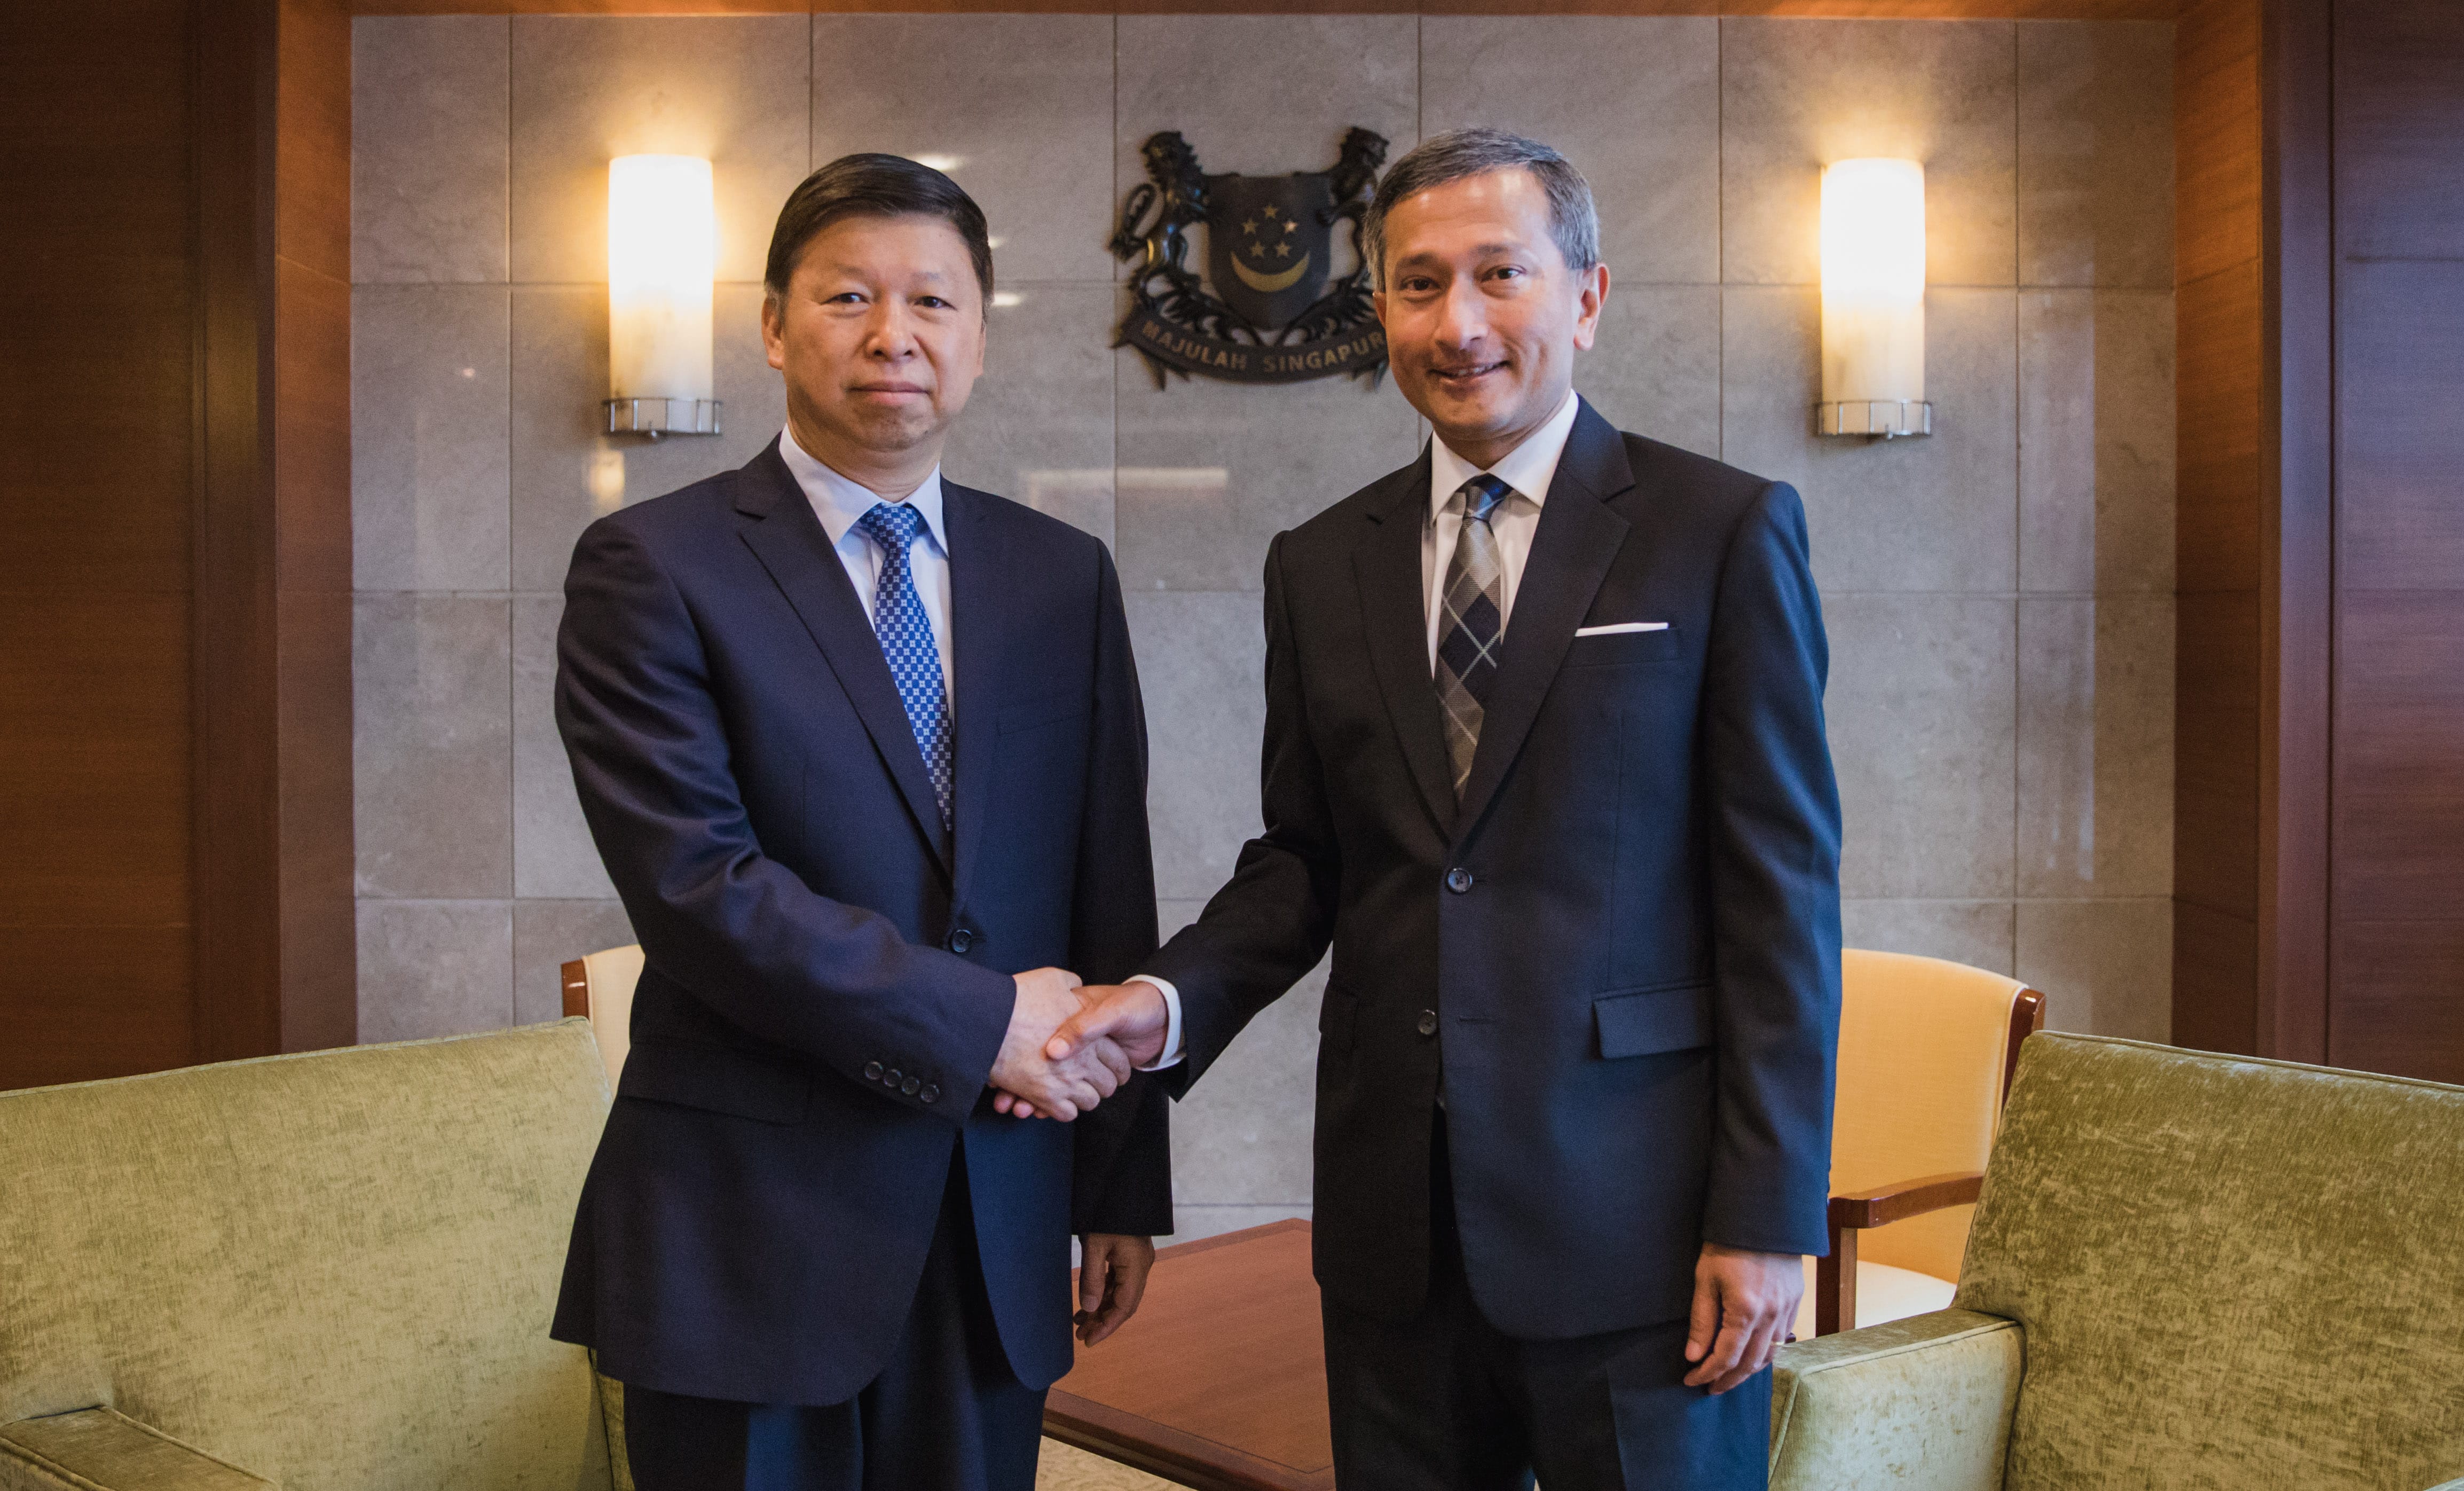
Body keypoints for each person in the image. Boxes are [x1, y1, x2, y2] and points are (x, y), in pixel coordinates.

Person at [1045, 129, 1843, 1490]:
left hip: (1639, 1228)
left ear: (1585, 297)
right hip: (1392, 1233)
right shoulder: (1319, 563)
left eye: (1498, 274)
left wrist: (1766, 1216)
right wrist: (1165, 1002)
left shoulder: (1719, 532)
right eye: (1419, 285)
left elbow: (1780, 900)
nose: (1457, 323)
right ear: (1382, 310)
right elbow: (1307, 859)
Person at [549, 153, 1170, 1491]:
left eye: (933, 302)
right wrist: (982, 1022)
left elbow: (1106, 888)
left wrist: (1118, 1185)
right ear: (774, 327)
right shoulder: (653, 566)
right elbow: (698, 887)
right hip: (749, 1225)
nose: (894, 335)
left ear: (980, 339)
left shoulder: (1059, 576)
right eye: (847, 298)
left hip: (998, 1209)